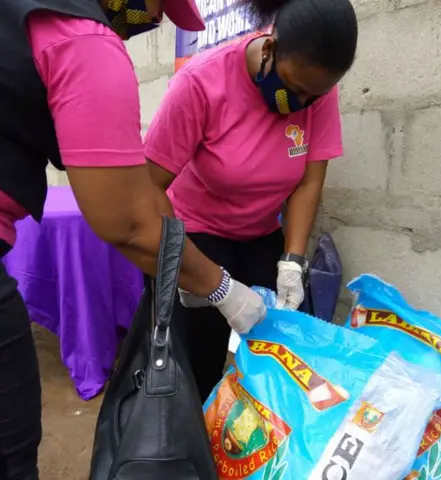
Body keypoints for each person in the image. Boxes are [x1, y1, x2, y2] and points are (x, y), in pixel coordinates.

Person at [0, 0, 285, 477]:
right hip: (209, 249)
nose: (153, 20)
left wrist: (178, 247)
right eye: (158, 5)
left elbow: (142, 198)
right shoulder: (84, 38)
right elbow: (127, 222)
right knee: (11, 443)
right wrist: (221, 288)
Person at [144, 0, 358, 402]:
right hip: (197, 231)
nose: (300, 104)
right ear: (271, 45)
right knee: (199, 361)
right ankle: (197, 451)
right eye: (294, 89)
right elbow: (149, 186)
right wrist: (187, 265)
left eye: (313, 96)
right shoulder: (201, 83)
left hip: (262, 233)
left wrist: (293, 261)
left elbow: (309, 181)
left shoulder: (317, 91)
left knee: (271, 354)